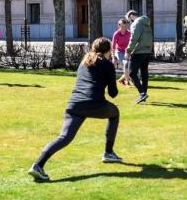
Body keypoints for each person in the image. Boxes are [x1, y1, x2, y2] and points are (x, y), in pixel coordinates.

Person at [28, 37, 122, 181]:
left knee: (64, 137)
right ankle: (108, 153)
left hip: (74, 104)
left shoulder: (84, 62)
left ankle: (38, 165)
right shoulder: (107, 64)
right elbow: (113, 93)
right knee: (114, 113)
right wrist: (114, 75)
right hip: (93, 103)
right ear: (108, 50)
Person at [125, 9, 153, 104]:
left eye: (129, 19)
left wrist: (128, 50)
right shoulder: (146, 22)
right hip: (147, 51)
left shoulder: (136, 23)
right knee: (144, 73)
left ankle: (142, 93)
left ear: (132, 15)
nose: (130, 22)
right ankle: (144, 94)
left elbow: (134, 39)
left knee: (132, 73)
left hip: (138, 52)